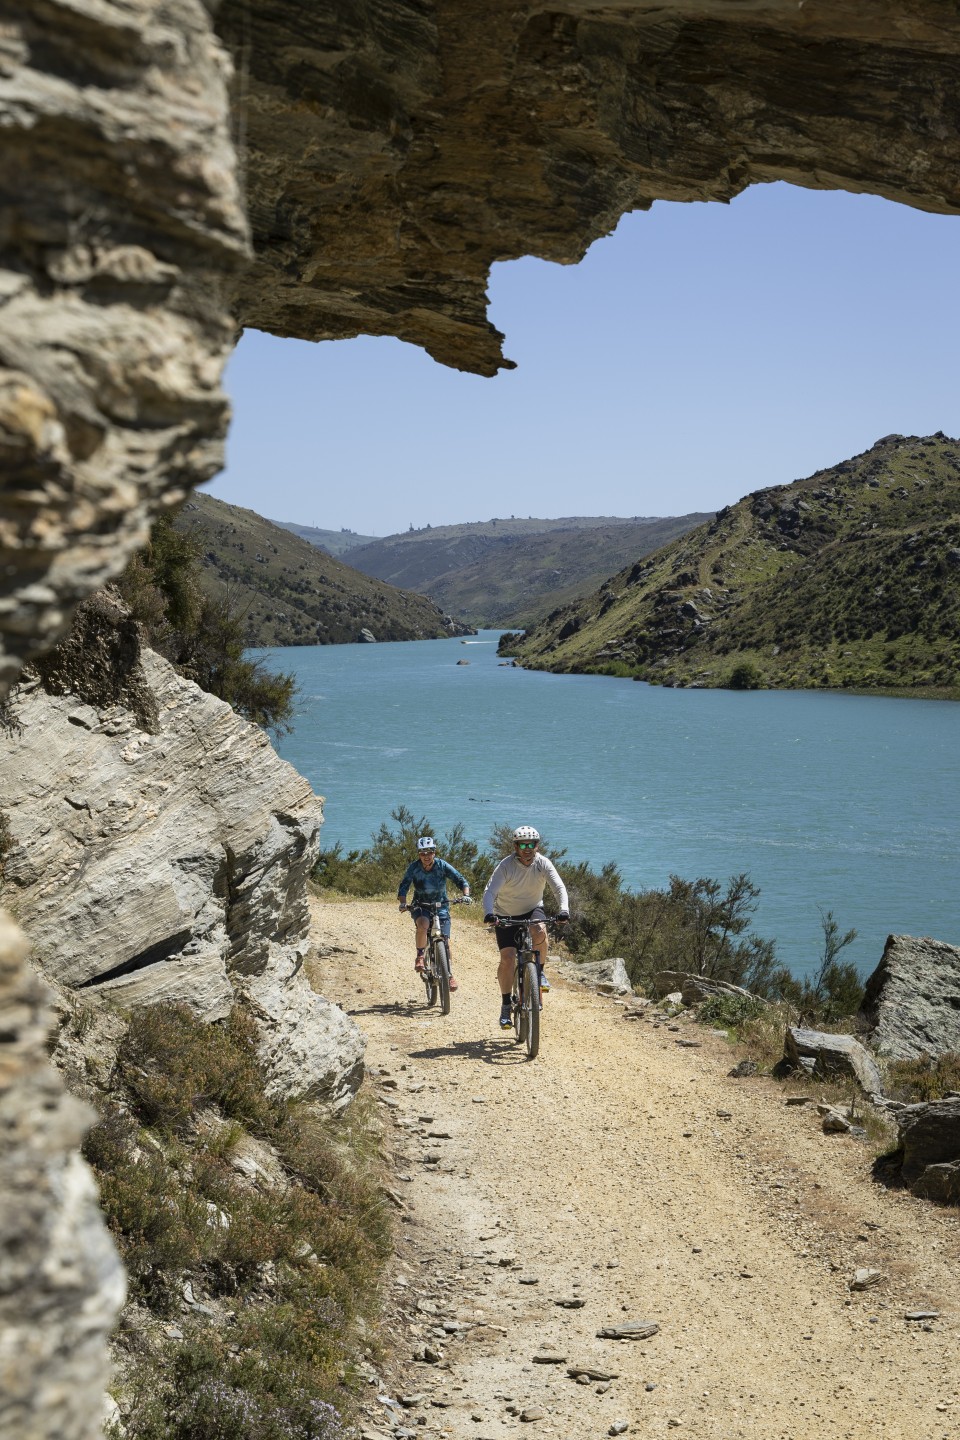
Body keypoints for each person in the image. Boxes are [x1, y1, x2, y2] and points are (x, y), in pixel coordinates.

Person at [482, 826, 569, 1029]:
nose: (527, 848)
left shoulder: (543, 863)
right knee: (508, 958)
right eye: (523, 844)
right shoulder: (505, 866)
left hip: (532, 909)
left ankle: (539, 972)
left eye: (532, 844)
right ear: (515, 846)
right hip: (505, 913)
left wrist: (564, 910)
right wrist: (489, 914)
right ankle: (505, 1005)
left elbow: (559, 888)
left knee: (540, 931)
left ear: (537, 846)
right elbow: (489, 892)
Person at [397, 836, 472, 990]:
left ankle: (449, 975)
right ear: (418, 854)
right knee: (423, 924)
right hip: (421, 905)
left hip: (441, 906)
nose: (426, 856)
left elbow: (460, 880)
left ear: (434, 852)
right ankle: (420, 956)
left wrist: (466, 895)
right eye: (422, 853)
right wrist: (403, 903)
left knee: (444, 941)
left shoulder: (442, 865)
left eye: (429, 852)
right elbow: (404, 886)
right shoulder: (414, 867)